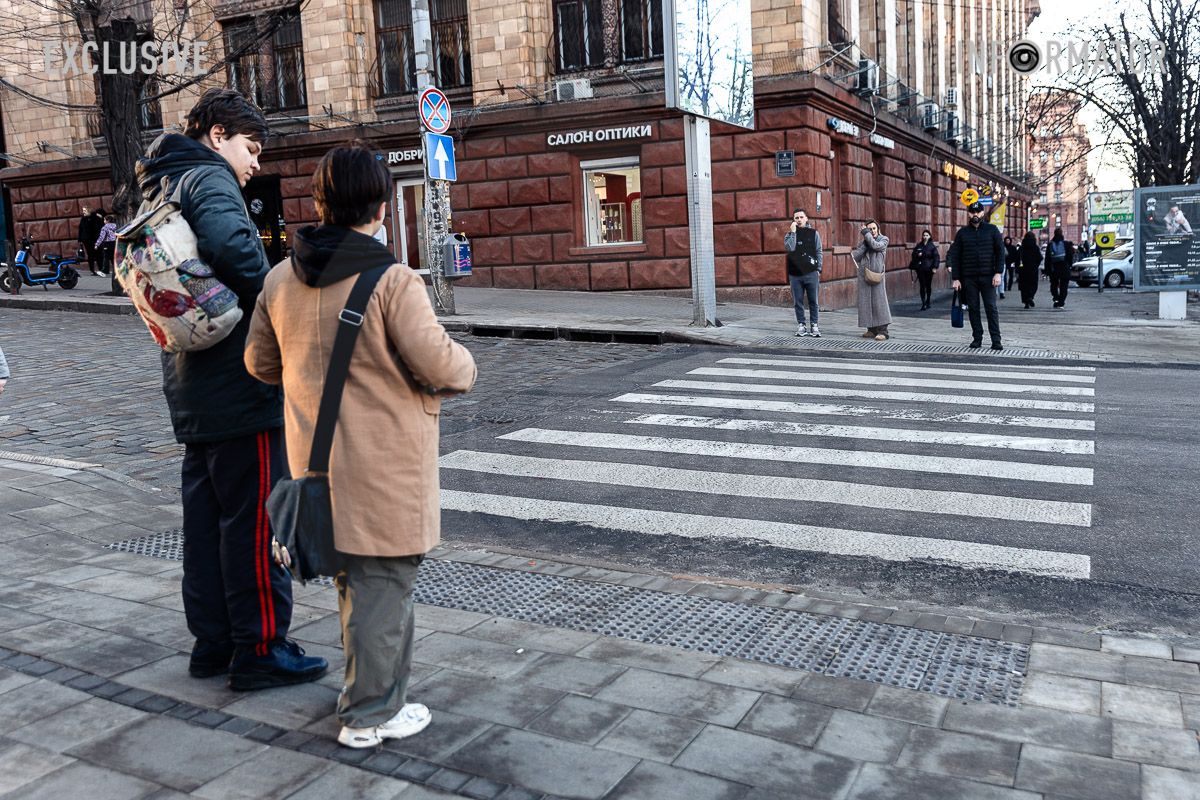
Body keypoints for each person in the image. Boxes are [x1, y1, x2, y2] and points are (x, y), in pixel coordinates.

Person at [245, 144, 477, 749]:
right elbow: (443, 366)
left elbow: (259, 364)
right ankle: (369, 713)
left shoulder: (280, 279)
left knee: (358, 585)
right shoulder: (391, 280)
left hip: (315, 465)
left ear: (321, 204)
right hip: (383, 469)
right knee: (385, 589)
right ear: (378, 208)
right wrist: (465, 362)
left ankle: (374, 695)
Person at [135, 88, 327, 690]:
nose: (255, 163)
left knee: (207, 522)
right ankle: (260, 647)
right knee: (255, 521)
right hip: (241, 383)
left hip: (193, 385)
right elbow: (233, 249)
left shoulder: (162, 183)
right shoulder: (209, 178)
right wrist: (287, 302)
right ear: (218, 135)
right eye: (251, 147)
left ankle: (214, 643)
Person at [948, 202, 1003, 350]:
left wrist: (998, 273)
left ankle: (996, 340)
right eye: (972, 212)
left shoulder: (992, 230)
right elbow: (955, 256)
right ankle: (977, 338)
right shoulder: (962, 233)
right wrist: (956, 278)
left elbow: (1000, 252)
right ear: (968, 214)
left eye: (978, 212)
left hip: (988, 276)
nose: (975, 215)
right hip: (969, 277)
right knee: (973, 308)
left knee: (991, 307)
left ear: (982, 213)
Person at [784, 208, 822, 337]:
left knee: (813, 301)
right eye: (796, 218)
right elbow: (790, 248)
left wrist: (818, 269)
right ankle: (801, 325)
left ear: (806, 219)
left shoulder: (814, 233)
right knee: (798, 301)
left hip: (811, 273)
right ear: (793, 220)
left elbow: (819, 251)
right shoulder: (789, 235)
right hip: (795, 274)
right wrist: (793, 233)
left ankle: (814, 325)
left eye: (801, 217)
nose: (799, 220)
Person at [852, 220, 891, 340]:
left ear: (878, 229)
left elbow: (876, 246)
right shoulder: (864, 242)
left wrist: (866, 235)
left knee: (880, 302)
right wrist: (865, 243)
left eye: (874, 228)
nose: (872, 231)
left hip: (877, 276)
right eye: (869, 229)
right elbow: (856, 256)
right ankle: (871, 329)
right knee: (866, 302)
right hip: (864, 276)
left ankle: (883, 331)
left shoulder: (884, 239)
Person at [1044, 228, 1076, 309]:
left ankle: (1056, 298)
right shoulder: (1066, 244)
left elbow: (1047, 258)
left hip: (1054, 268)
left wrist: (1047, 270)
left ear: (1054, 234)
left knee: (1054, 284)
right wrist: (1070, 265)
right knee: (1064, 285)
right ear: (1062, 234)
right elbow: (1070, 256)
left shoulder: (1050, 244)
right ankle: (1061, 302)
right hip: (1064, 267)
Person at [909, 229, 939, 310]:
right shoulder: (919, 245)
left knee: (928, 285)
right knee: (922, 285)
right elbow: (913, 254)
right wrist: (917, 254)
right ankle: (923, 303)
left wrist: (935, 267)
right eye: (924, 235)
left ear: (929, 236)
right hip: (920, 268)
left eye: (927, 235)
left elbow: (936, 257)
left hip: (929, 269)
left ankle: (928, 300)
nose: (925, 237)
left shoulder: (932, 246)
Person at [1018, 231, 1042, 308]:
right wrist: (1036, 265)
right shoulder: (1035, 247)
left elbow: (1017, 258)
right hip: (1033, 269)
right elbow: (1039, 258)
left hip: (1023, 269)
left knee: (1024, 285)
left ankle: (1026, 302)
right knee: (1033, 284)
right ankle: (1030, 296)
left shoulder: (1022, 248)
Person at [77, 205, 103, 276]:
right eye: (83, 210)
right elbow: (80, 229)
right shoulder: (83, 219)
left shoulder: (96, 217)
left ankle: (101, 269)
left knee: (98, 254)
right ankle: (92, 270)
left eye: (85, 210)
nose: (83, 212)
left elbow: (100, 227)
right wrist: (80, 239)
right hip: (87, 240)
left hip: (95, 239)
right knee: (90, 255)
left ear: (89, 211)